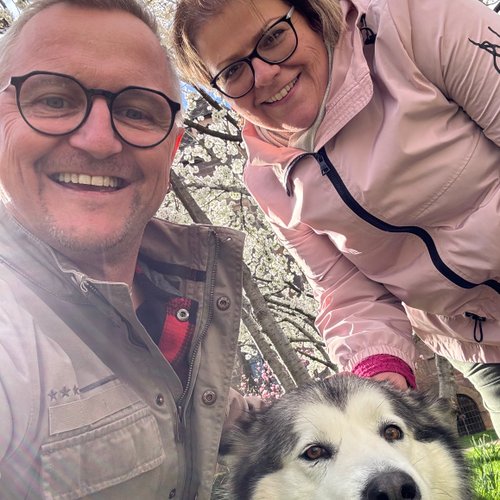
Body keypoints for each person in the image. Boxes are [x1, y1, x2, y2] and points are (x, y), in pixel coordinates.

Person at [172, 0, 500, 433]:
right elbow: (344, 287)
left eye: (273, 37)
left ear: (311, 14)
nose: (264, 74)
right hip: (481, 342)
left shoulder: (415, 20)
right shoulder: (269, 176)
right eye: (232, 70)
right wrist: (378, 368)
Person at [0, 0, 252, 498]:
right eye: (53, 99)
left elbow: (214, 412)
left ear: (172, 147)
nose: (98, 141)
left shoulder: (177, 299)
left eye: (136, 111)